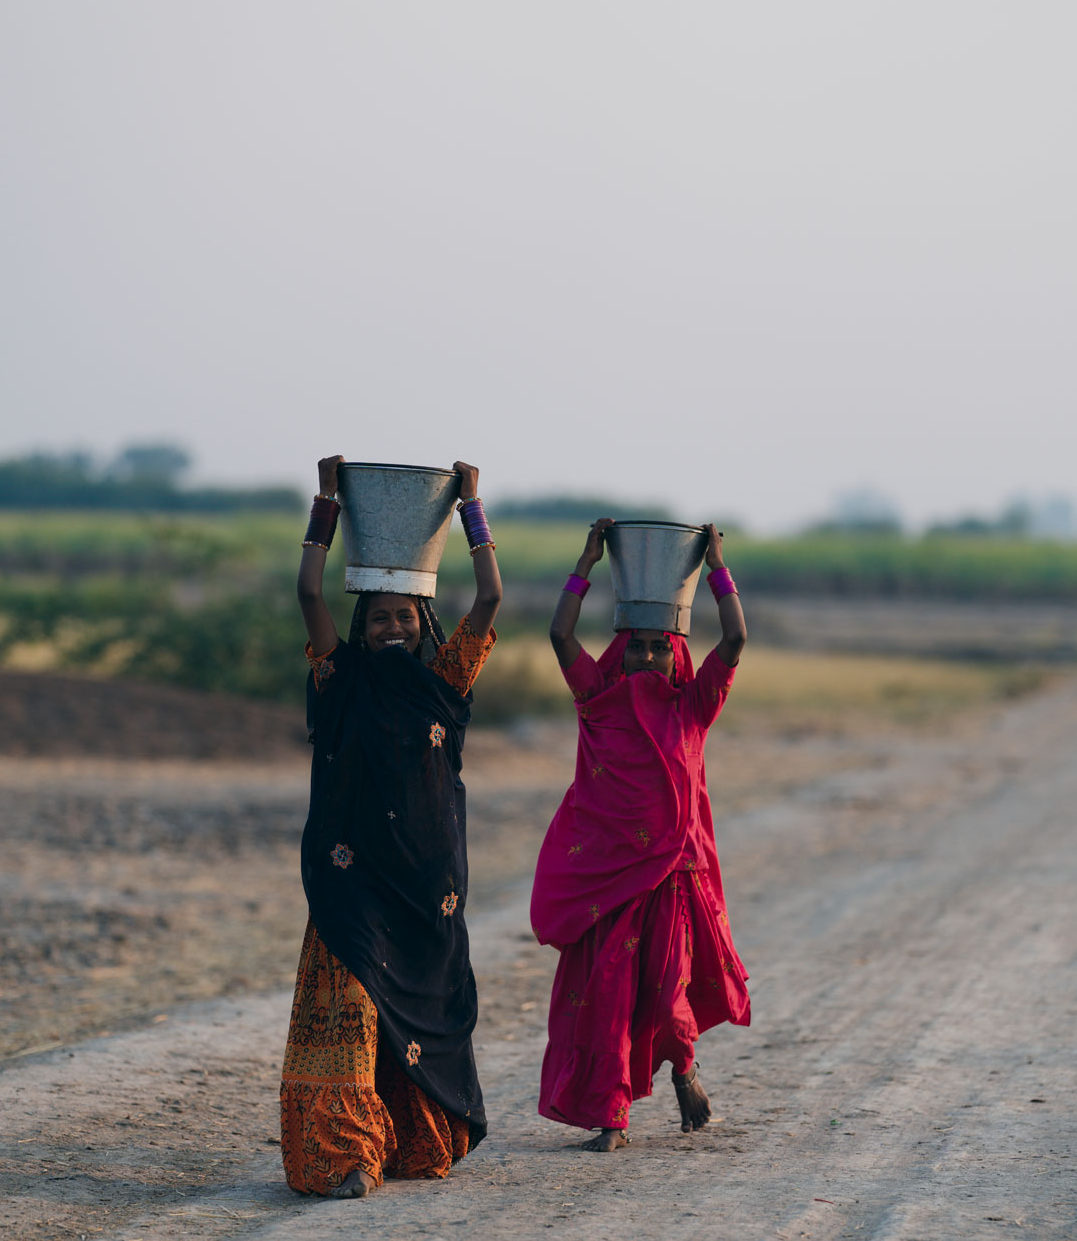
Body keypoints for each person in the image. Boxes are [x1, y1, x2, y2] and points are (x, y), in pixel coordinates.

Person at [281, 454, 501, 1198]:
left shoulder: (445, 684)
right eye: (380, 617)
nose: (394, 627)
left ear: (423, 621)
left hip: (423, 888)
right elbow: (308, 588)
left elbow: (492, 595)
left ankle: (408, 1136)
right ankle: (351, 1155)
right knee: (347, 1005)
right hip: (350, 882)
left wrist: (472, 507)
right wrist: (327, 502)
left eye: (405, 616)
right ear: (362, 626)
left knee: (408, 1011)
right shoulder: (338, 679)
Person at [531, 518, 751, 1151]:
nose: (649, 657)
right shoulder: (597, 698)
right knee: (605, 996)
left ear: (676, 653)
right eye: (637, 647)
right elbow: (558, 632)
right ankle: (611, 1117)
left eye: (660, 648)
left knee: (665, 988)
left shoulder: (692, 706)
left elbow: (735, 638)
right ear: (619, 651)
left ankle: (683, 1068)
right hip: (608, 881)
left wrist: (716, 567)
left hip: (671, 878)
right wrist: (587, 561)